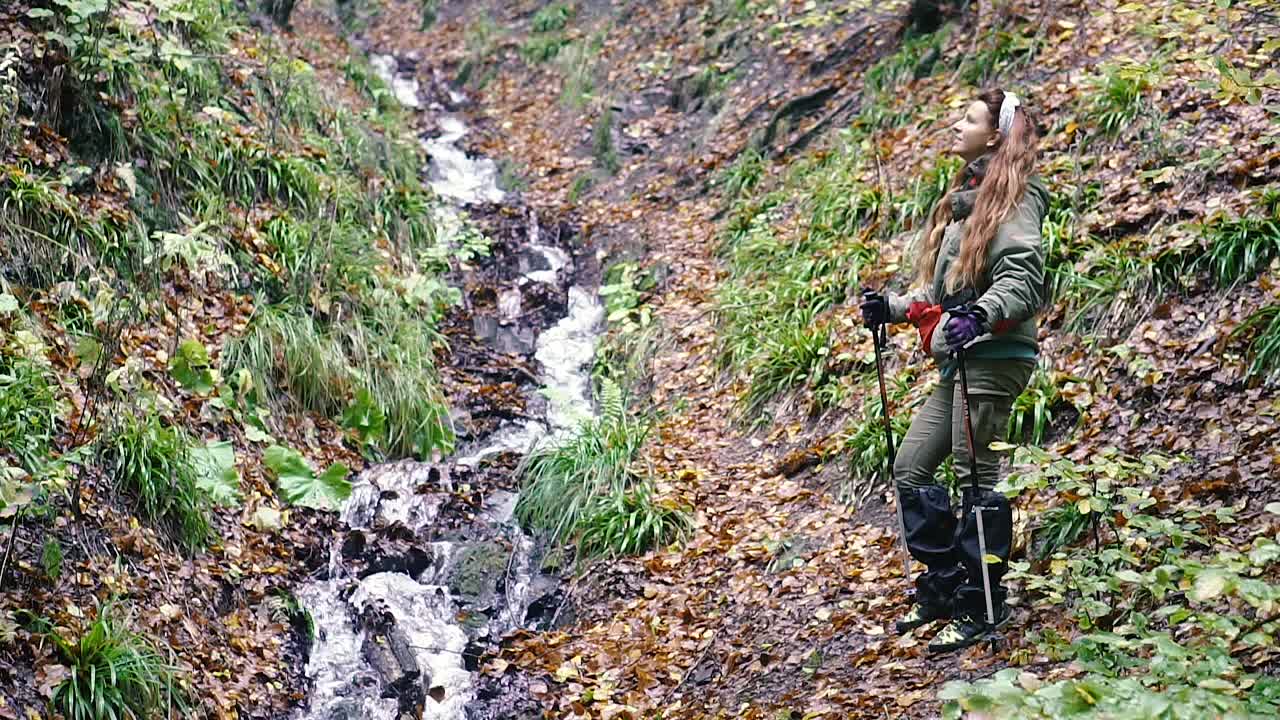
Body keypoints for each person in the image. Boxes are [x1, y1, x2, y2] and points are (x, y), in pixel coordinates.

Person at [860, 89, 1049, 654]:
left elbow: (1022, 279)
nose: (955, 124)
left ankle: (983, 604)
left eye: (968, 118)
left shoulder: (1014, 199)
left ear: (995, 135)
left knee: (975, 481)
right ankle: (944, 585)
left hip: (994, 358)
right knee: (911, 468)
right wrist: (891, 309)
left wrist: (982, 317)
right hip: (961, 359)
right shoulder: (968, 199)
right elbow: (940, 294)